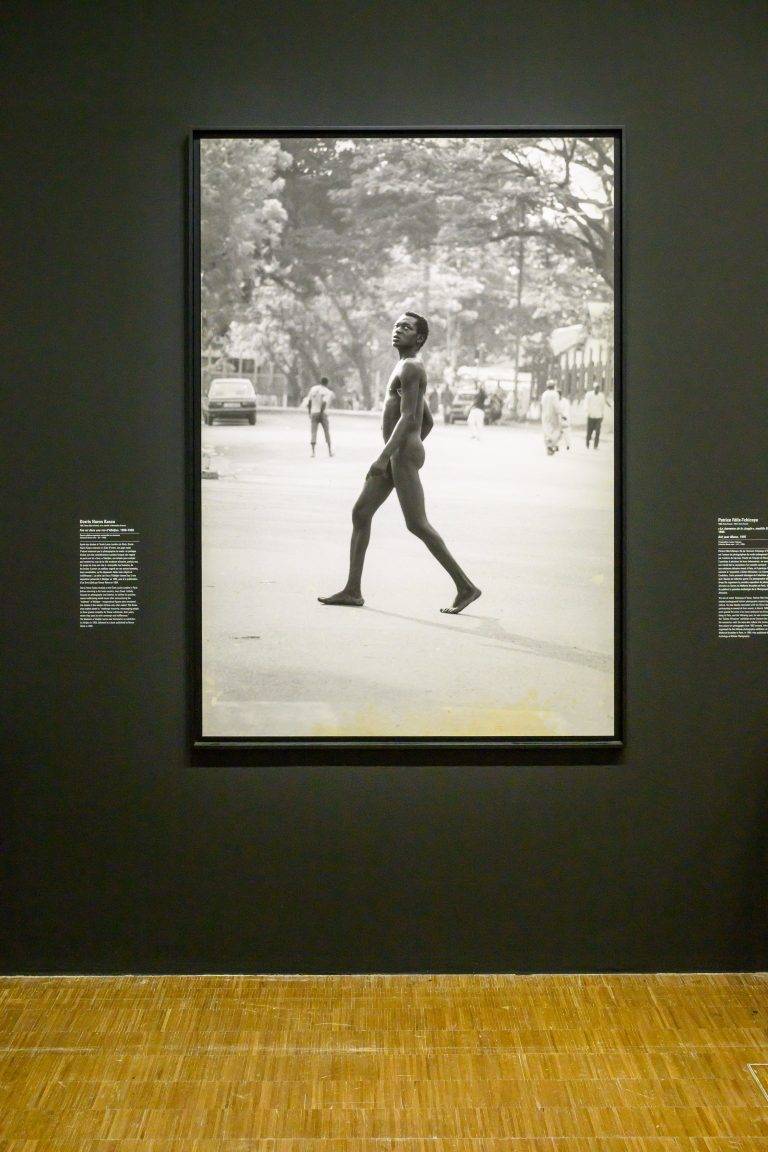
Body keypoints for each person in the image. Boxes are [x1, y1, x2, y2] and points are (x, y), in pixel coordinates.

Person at [319, 312, 481, 614]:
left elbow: (409, 417)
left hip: (399, 454)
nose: (397, 330)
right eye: (396, 325)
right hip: (401, 452)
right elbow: (426, 419)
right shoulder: (405, 366)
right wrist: (410, 447)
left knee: (417, 524)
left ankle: (466, 586)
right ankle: (353, 590)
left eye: (406, 328)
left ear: (419, 338)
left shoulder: (411, 366)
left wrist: (391, 455)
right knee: (361, 512)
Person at [304, 376, 335, 457]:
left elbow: (309, 402)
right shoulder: (327, 391)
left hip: (314, 412)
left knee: (313, 432)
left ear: (320, 382)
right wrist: (321, 412)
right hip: (323, 413)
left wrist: (309, 413)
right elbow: (324, 403)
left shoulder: (313, 389)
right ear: (327, 383)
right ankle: (330, 451)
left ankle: (313, 452)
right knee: (326, 432)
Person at [584, 383, 610, 449]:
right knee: (589, 432)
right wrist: (587, 412)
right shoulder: (589, 395)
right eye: (596, 388)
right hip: (591, 416)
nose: (597, 389)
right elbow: (586, 404)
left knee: (598, 432)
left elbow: (603, 405)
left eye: (598, 388)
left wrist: (602, 414)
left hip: (598, 416)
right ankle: (587, 443)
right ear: (594, 388)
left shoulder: (601, 396)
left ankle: (595, 445)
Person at [540, 380, 562, 455]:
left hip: (545, 415)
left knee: (547, 430)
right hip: (553, 416)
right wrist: (561, 414)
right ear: (553, 386)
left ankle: (549, 447)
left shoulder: (544, 394)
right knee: (555, 431)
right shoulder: (555, 394)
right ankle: (551, 446)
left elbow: (542, 405)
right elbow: (556, 405)